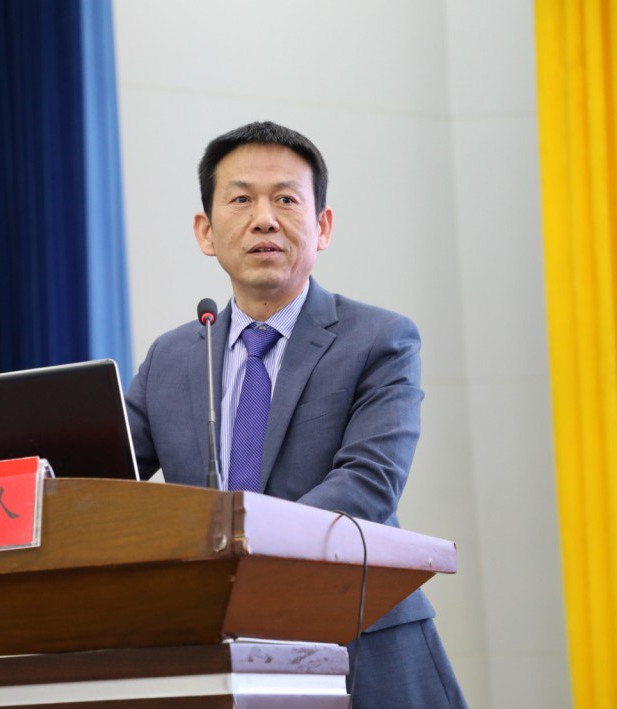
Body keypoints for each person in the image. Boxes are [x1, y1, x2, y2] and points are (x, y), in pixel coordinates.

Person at [125, 121, 468, 708]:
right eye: (241, 200)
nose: (264, 219)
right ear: (206, 231)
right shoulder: (173, 357)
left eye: (286, 199)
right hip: (214, 649)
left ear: (322, 226)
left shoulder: (379, 339)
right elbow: (103, 478)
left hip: (360, 645)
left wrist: (241, 552)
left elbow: (368, 482)